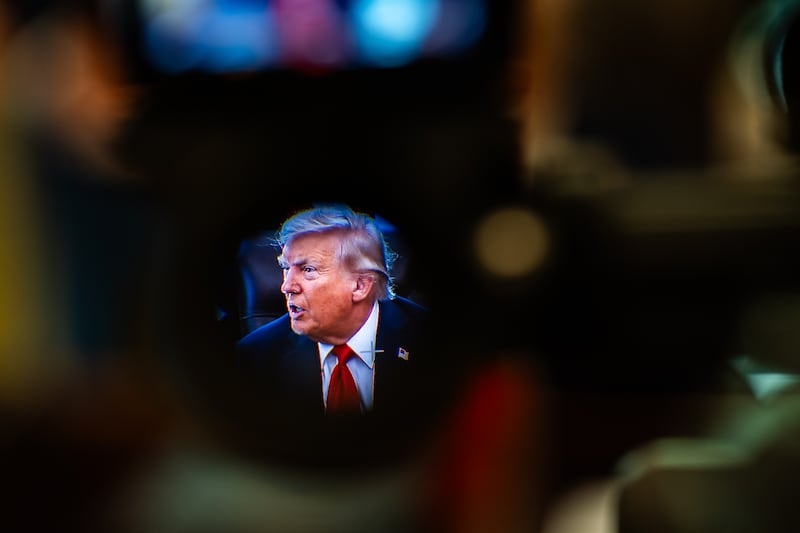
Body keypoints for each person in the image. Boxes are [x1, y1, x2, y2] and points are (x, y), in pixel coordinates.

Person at [237, 204, 429, 418]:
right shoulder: (254, 357)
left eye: (308, 270)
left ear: (360, 285)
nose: (287, 286)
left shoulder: (430, 340)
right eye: (285, 268)